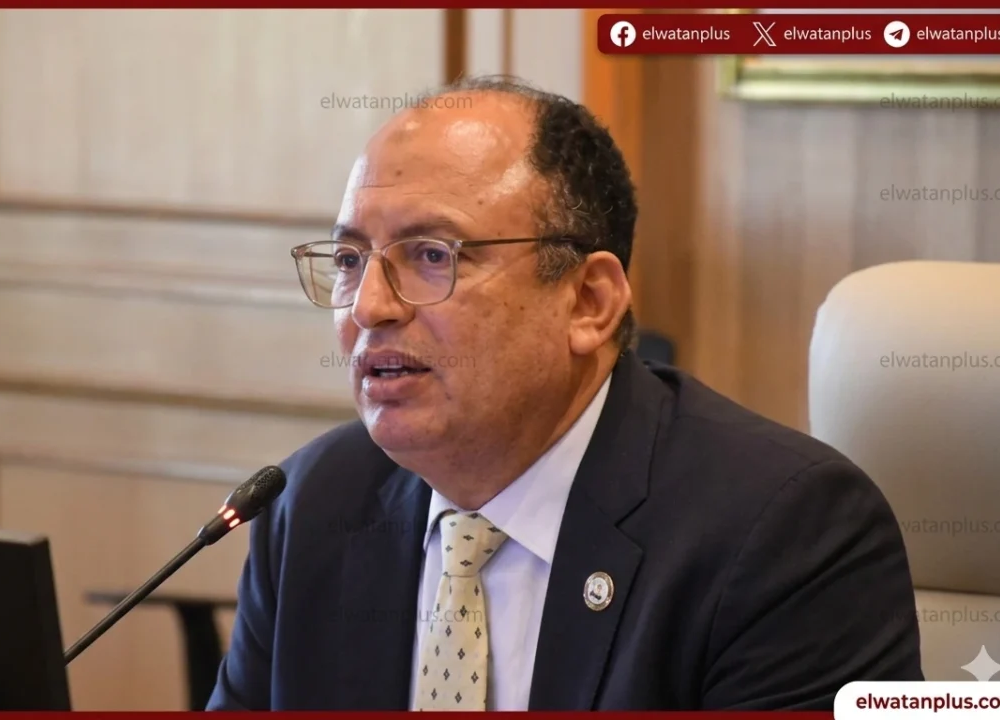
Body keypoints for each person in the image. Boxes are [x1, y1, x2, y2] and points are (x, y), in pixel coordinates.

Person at [207, 76, 923, 711]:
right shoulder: (311, 504)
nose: (369, 306)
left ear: (589, 302)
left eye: (431, 255)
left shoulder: (782, 532)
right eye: (349, 259)